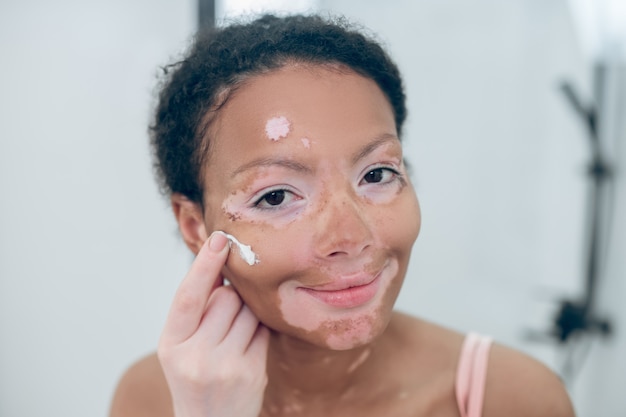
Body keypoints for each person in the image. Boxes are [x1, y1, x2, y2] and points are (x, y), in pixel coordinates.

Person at [109, 14, 576, 417]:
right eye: (274, 197)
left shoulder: (512, 398)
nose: (350, 236)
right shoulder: (152, 399)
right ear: (195, 227)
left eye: (376, 174)